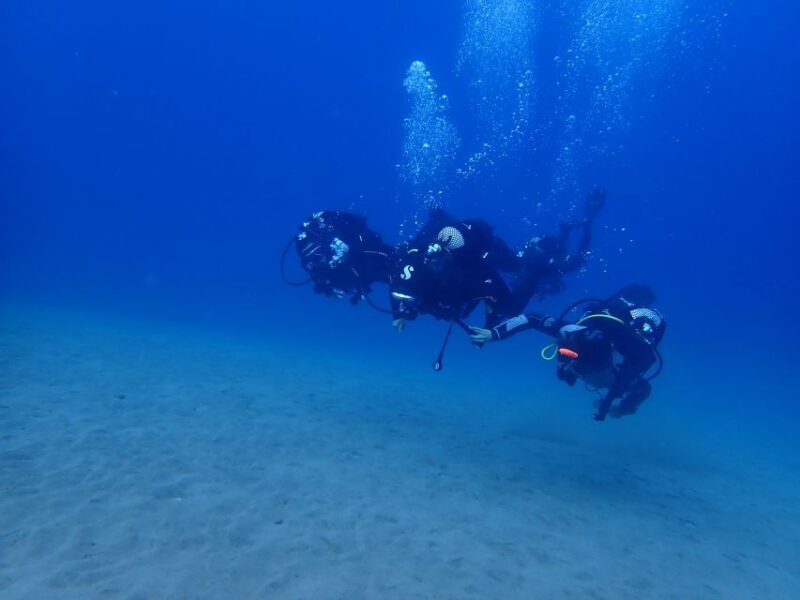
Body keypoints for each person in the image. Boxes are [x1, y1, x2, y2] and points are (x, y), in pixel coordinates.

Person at [469, 285, 665, 421]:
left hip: (610, 374)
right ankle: (572, 369)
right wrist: (493, 334)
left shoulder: (633, 347)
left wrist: (613, 400)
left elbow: (532, 319)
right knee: (570, 367)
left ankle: (618, 411)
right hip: (596, 366)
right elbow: (532, 318)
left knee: (641, 389)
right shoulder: (575, 334)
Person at [389, 210, 520, 331]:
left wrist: (490, 329)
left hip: (480, 251)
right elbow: (398, 282)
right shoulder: (421, 258)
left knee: (513, 265)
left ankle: (523, 256)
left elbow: (504, 303)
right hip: (460, 265)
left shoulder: (480, 272)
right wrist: (398, 313)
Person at [510, 187, 606, 309]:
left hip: (543, 262)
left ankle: (578, 226)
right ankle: (578, 226)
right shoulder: (529, 268)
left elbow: (558, 285)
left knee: (576, 259)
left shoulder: (529, 267)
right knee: (575, 258)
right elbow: (558, 286)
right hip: (544, 261)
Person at [288, 211, 393, 305]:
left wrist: (348, 253)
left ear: (326, 248)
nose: (316, 261)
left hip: (371, 262)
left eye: (318, 253)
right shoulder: (316, 269)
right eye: (309, 259)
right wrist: (328, 290)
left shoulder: (342, 248)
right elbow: (320, 285)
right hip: (363, 276)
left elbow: (370, 250)